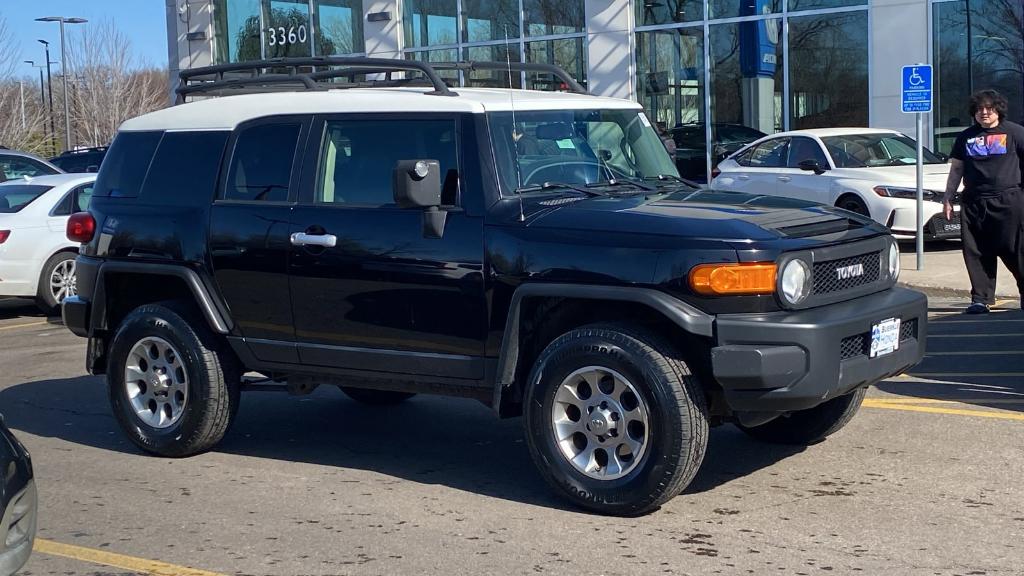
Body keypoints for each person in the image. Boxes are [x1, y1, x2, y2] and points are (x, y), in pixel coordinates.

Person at [942, 89, 1024, 314]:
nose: (984, 113)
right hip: (974, 202)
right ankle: (981, 298)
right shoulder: (966, 137)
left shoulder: (1015, 133)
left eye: (988, 109)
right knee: (976, 251)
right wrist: (948, 197)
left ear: (998, 109)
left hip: (1010, 200)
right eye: (979, 110)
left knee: (1016, 249)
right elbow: (957, 168)